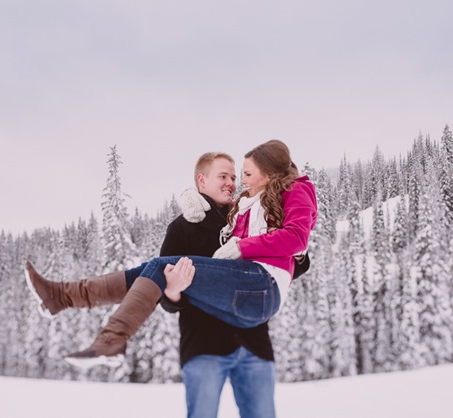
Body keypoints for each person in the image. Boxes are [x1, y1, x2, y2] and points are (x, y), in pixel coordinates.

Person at [24, 139, 318, 370]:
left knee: (159, 267)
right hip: (222, 321)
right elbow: (171, 291)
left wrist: (246, 246)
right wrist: (193, 206)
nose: (237, 181)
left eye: (243, 174)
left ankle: (102, 331)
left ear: (267, 173)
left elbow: (292, 244)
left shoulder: (277, 197)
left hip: (256, 305)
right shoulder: (226, 212)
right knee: (157, 270)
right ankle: (64, 299)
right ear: (202, 182)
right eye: (226, 176)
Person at [160, 152, 277, 418]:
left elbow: (288, 262)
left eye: (234, 177)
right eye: (223, 176)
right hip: (204, 346)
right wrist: (172, 289)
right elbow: (165, 294)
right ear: (202, 180)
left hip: (253, 342)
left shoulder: (252, 219)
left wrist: (298, 252)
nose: (231, 183)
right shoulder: (181, 229)